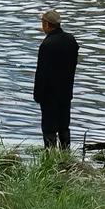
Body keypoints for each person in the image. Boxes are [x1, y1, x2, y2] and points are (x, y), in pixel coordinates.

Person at [33, 8, 79, 150]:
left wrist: (37, 95)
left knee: (49, 128)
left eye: (42, 23)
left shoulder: (46, 45)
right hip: (66, 92)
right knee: (64, 126)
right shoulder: (71, 40)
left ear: (47, 25)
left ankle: (50, 158)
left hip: (49, 95)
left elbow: (41, 73)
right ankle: (66, 155)